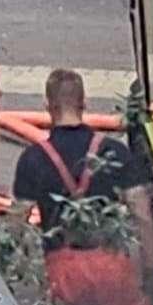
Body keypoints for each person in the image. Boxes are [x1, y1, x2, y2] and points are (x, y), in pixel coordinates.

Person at [12, 67, 140, 231]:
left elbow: (17, 220)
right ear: (84, 103)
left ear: (47, 105)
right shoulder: (114, 151)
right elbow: (141, 211)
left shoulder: (33, 158)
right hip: (107, 253)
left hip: (58, 254)